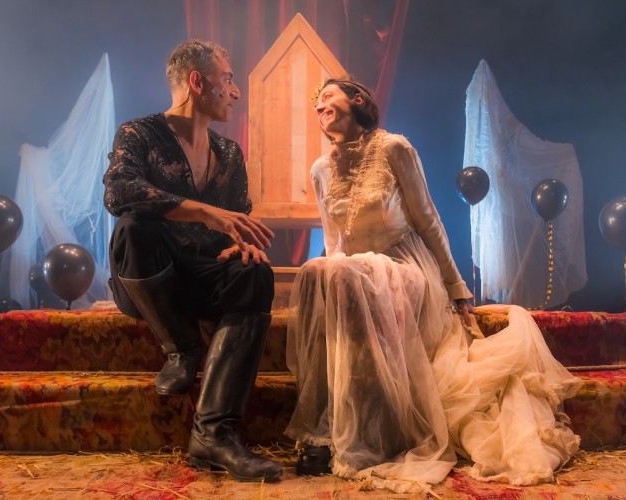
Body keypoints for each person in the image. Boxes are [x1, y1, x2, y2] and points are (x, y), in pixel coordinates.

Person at [285, 78, 582, 493]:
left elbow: (428, 221)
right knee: (318, 269)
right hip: (351, 274)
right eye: (316, 102)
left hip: (405, 267)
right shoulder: (320, 169)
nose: (320, 104)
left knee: (342, 273)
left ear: (358, 99)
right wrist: (332, 275)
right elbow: (334, 241)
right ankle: (324, 431)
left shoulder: (394, 148)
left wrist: (455, 285)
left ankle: (369, 434)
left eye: (328, 95)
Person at [103, 39, 282, 482]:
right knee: (133, 227)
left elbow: (238, 217)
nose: (235, 91)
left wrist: (242, 244)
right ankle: (181, 348)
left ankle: (214, 435)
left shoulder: (230, 153)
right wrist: (204, 212)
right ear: (197, 82)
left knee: (255, 272)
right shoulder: (138, 133)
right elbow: (119, 191)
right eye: (228, 79)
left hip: (201, 275)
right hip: (150, 279)